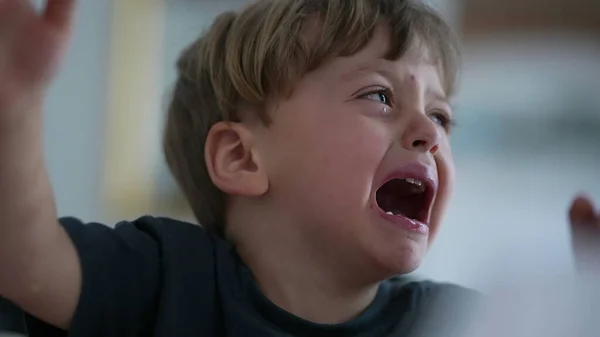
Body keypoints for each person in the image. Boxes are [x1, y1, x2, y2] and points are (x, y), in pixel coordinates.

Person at [0, 0, 597, 336]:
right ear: (242, 157)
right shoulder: (165, 279)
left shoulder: (452, 324)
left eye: (442, 117)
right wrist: (15, 107)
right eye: (380, 97)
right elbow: (24, 256)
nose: (428, 135)